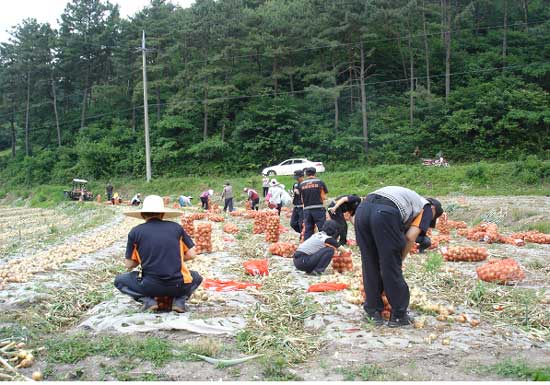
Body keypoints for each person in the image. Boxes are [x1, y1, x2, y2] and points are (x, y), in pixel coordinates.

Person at [354, 186, 443, 327]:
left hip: (362, 210)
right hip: (384, 213)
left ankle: (372, 313)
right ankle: (398, 316)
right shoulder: (426, 208)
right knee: (390, 266)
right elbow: (409, 237)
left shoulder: (409, 199)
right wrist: (399, 259)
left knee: (370, 263)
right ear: (433, 210)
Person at [114, 195, 203, 312]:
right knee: (196, 277)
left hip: (150, 286)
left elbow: (129, 265)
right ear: (162, 214)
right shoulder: (176, 228)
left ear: (142, 215)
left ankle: (147, 301)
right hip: (178, 286)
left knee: (119, 280)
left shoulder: (135, 232)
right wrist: (173, 258)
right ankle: (180, 300)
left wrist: (147, 259)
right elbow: (192, 254)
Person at [300, 167, 328, 241]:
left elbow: (302, 199)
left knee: (308, 229)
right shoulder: (320, 182)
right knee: (322, 229)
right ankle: (325, 244)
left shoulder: (302, 184)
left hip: (307, 210)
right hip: (318, 209)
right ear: (315, 173)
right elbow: (324, 197)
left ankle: (307, 246)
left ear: (306, 174)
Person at [290, 170, 304, 235]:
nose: (297, 179)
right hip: (296, 206)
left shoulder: (305, 184)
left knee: (301, 223)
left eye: (298, 178)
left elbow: (306, 195)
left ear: (302, 176)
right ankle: (302, 233)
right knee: (293, 223)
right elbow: (294, 194)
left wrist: (299, 192)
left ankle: (303, 236)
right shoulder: (295, 184)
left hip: (302, 207)